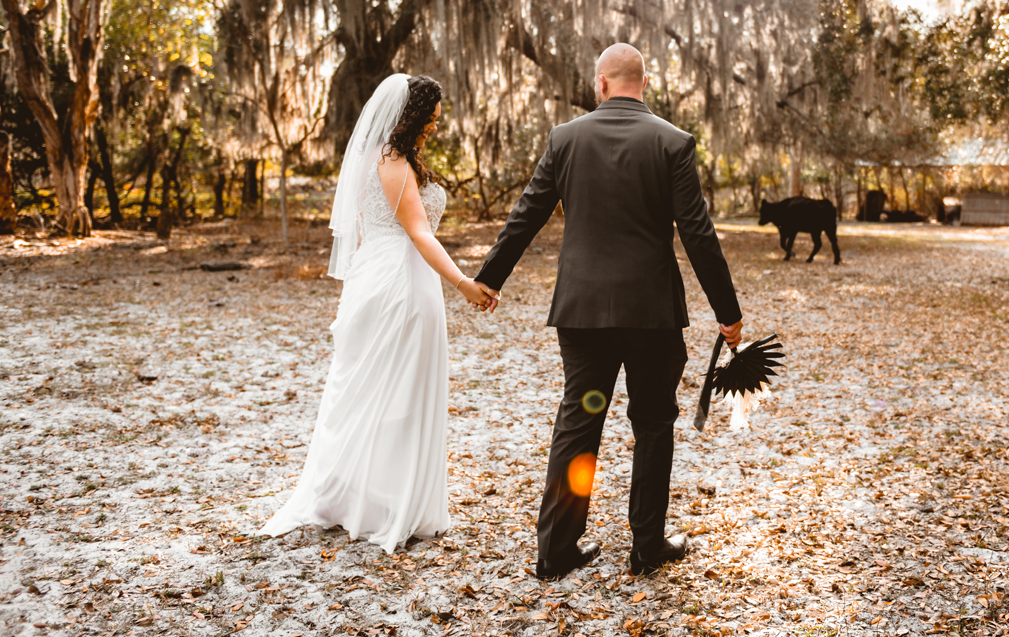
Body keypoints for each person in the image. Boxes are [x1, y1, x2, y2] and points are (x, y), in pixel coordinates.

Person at [474, 44, 744, 578]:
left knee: (580, 421)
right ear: (642, 84)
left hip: (583, 312)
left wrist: (489, 279)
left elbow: (527, 213)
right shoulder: (672, 141)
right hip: (651, 316)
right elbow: (698, 233)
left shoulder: (566, 138)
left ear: (601, 84)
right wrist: (727, 311)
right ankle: (647, 546)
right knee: (652, 423)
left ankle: (555, 551)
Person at [259, 74, 496, 553]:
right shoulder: (392, 162)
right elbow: (420, 233)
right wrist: (463, 284)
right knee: (396, 392)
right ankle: (384, 504)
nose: (432, 127)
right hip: (401, 283)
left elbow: (372, 233)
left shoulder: (383, 158)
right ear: (407, 117)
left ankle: (372, 494)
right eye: (427, 119)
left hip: (380, 276)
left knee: (381, 390)